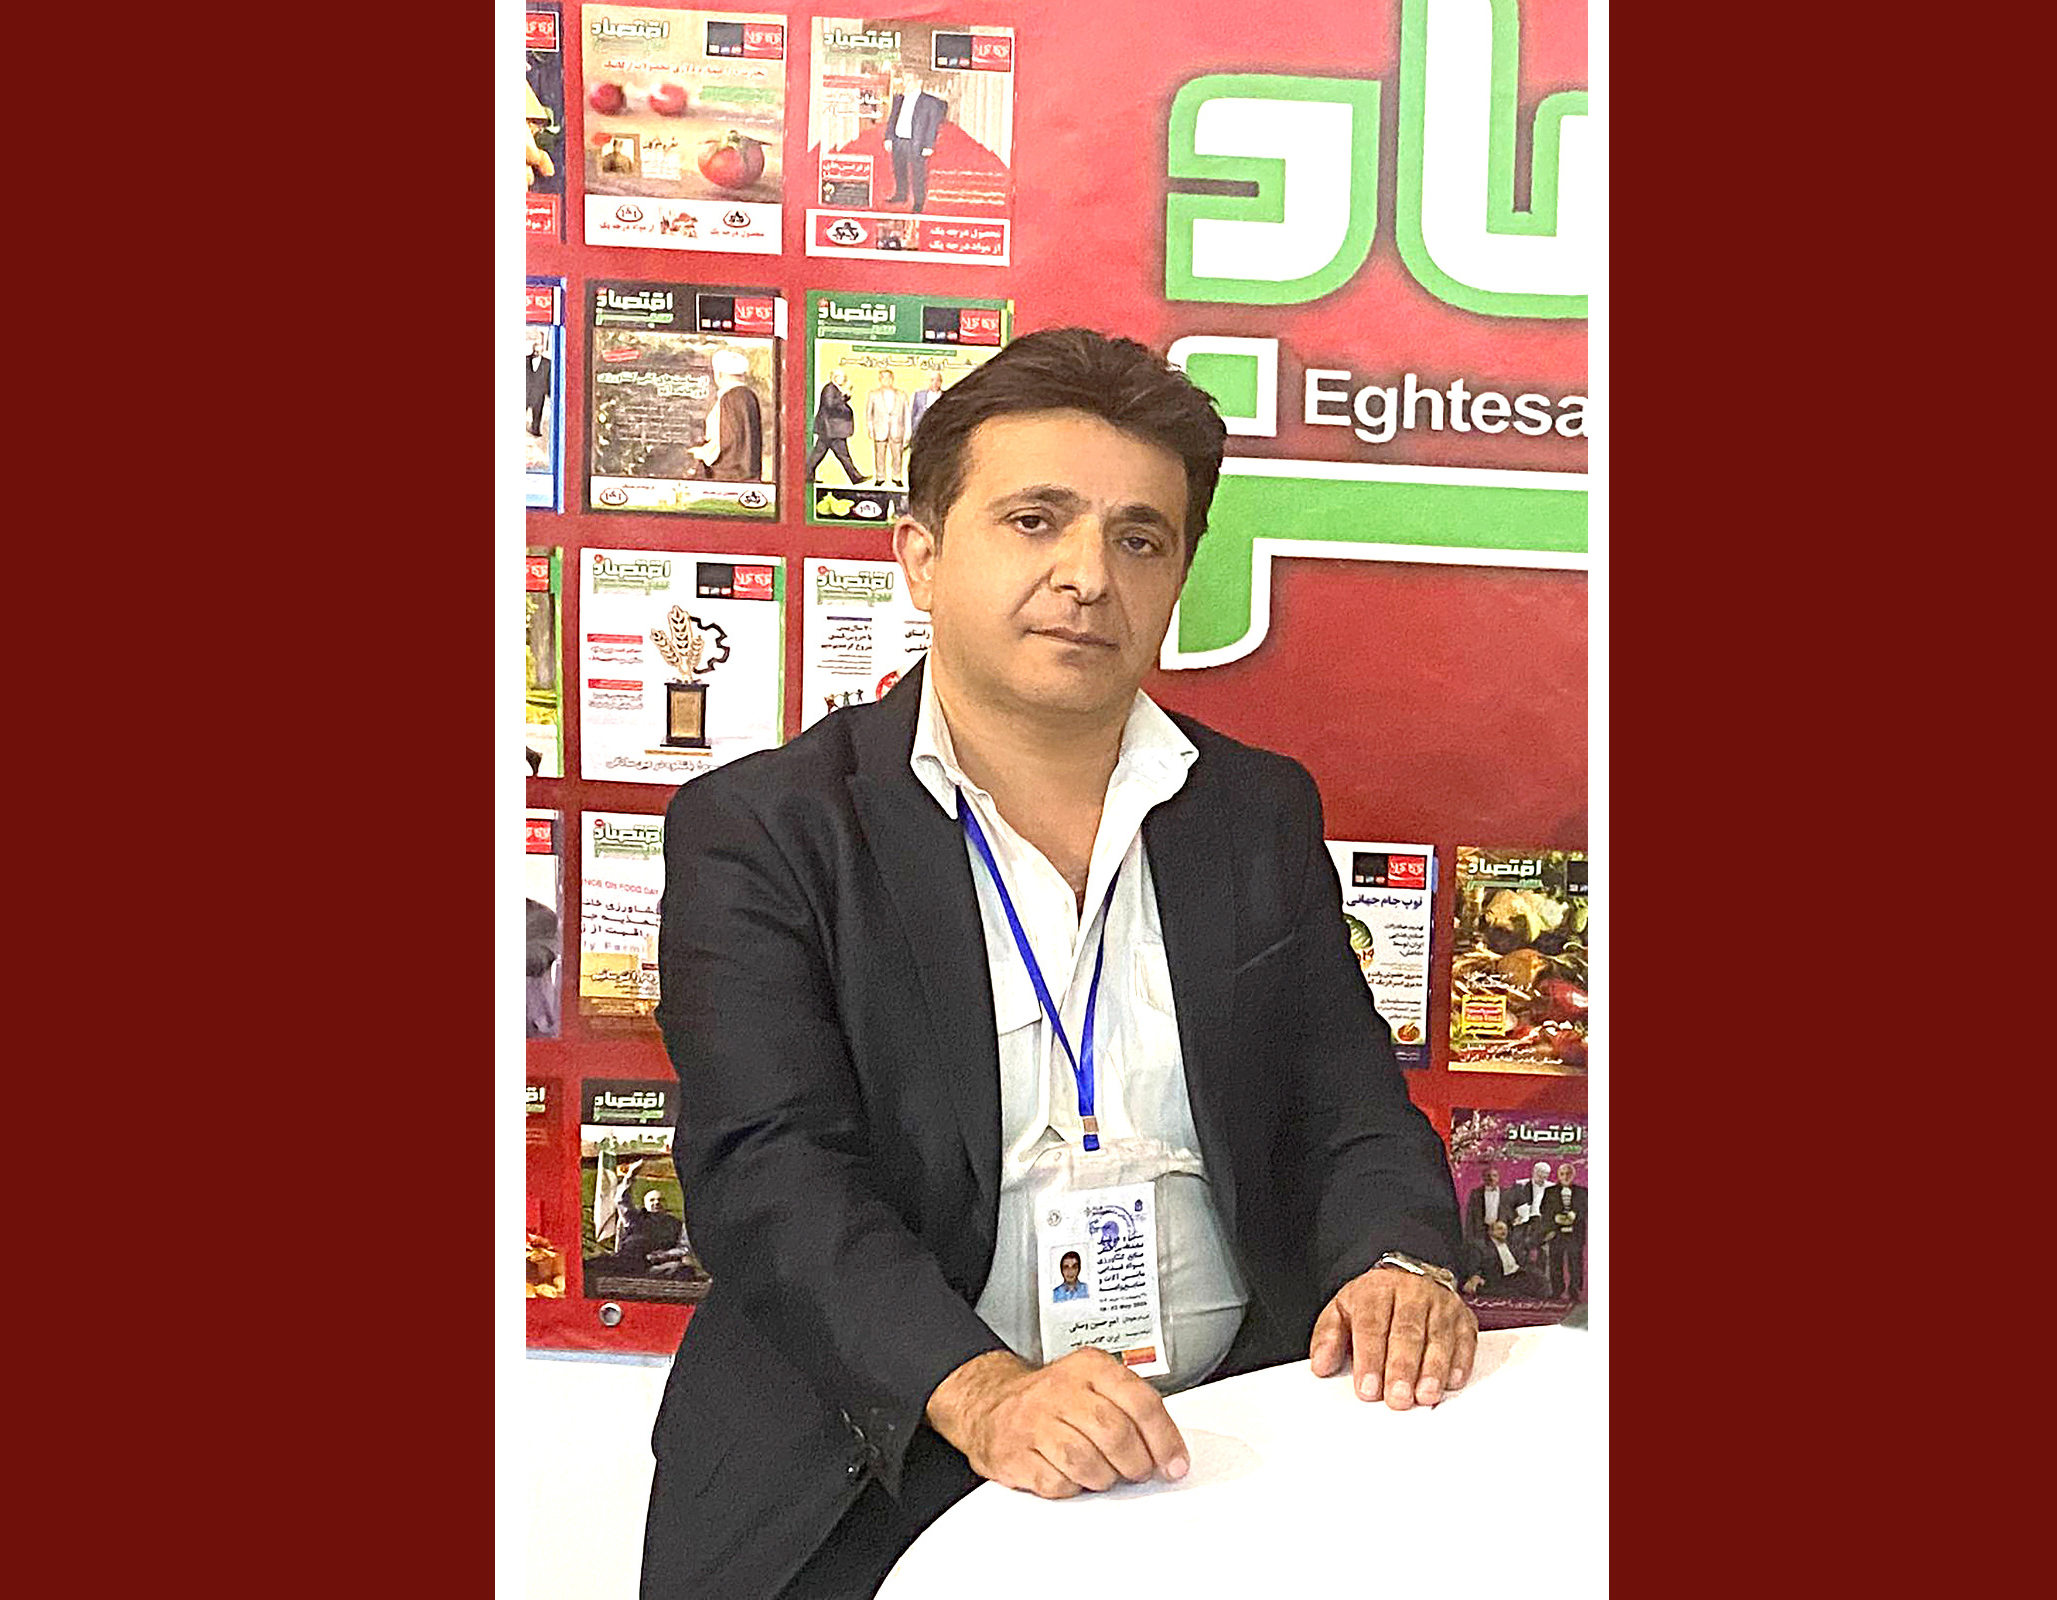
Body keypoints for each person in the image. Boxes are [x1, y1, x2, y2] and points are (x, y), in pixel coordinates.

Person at [642, 329, 1472, 1600]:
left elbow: (1348, 1102)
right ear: (920, 555)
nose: (1087, 576)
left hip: (1223, 1444)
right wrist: (981, 1393)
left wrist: (1397, 1259)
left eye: (1138, 539)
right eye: (1034, 520)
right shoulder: (766, 829)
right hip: (890, 1447)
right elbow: (770, 1170)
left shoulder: (1252, 809)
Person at [689, 348, 763, 482]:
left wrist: (702, 453)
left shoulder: (731, 397)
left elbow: (728, 441)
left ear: (719, 374)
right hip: (746, 473)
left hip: (729, 475)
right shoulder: (748, 396)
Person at [880, 69, 947, 212]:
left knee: (918, 173)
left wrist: (929, 145)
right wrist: (888, 137)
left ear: (919, 82)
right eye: (904, 80)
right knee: (899, 169)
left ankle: (918, 202)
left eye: (909, 80)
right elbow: (892, 120)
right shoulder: (899, 99)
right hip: (899, 140)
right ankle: (901, 194)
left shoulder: (929, 102)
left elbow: (932, 125)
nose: (906, 84)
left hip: (916, 142)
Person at [1460, 1218, 1547, 1299]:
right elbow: (1474, 1264)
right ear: (1490, 1231)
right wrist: (1476, 1276)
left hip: (1516, 1275)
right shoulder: (1481, 1245)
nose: (1504, 1232)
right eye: (1500, 1229)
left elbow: (1521, 1261)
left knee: (1538, 1278)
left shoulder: (1511, 1245)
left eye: (1505, 1229)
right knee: (1509, 1291)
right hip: (1497, 1278)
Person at [806, 366, 863, 485]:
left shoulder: (833, 389)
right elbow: (830, 405)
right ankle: (855, 477)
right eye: (842, 377)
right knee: (842, 455)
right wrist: (844, 397)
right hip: (830, 429)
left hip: (830, 429)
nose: (844, 379)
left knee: (820, 453)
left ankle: (807, 474)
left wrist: (845, 397)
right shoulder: (830, 389)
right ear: (835, 378)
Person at [1538, 1160, 1586, 1299]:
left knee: (1575, 1263)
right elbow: (1543, 1209)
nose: (1565, 1176)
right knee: (1555, 1262)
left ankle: (1574, 1290)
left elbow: (1587, 1209)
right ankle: (1557, 1290)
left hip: (1575, 1233)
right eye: (1562, 1173)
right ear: (1558, 1175)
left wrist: (1575, 1214)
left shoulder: (1583, 1192)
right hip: (1556, 1233)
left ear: (1573, 1175)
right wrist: (1555, 1218)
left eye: (1568, 1173)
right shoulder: (1550, 1191)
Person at [865, 368, 910, 486]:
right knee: (879, 455)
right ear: (879, 380)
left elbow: (907, 415)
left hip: (897, 430)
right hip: (880, 430)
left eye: (889, 377)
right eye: (883, 377)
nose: (886, 380)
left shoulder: (902, 395)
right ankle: (880, 477)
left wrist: (907, 433)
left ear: (893, 379)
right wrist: (870, 429)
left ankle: (897, 477)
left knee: (897, 456)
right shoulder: (873, 394)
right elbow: (869, 414)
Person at [1462, 1163, 1508, 1241]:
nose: (1491, 1178)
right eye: (1488, 1176)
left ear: (1498, 1177)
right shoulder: (1476, 1193)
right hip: (1481, 1232)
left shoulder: (1506, 1193)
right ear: (1483, 1177)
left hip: (1500, 1232)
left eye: (1494, 1175)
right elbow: (1470, 1215)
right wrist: (1469, 1236)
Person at [909, 367, 946, 437]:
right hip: (920, 431)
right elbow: (913, 414)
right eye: (932, 380)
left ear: (941, 382)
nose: (935, 383)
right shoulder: (919, 395)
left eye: (938, 380)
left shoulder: (946, 396)